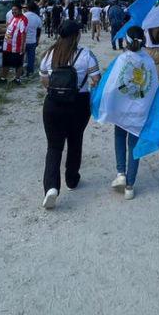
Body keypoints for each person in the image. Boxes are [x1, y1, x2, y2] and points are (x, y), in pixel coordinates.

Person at [91, 26, 159, 200]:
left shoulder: (122, 59)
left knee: (119, 137)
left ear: (127, 41)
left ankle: (120, 173)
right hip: (139, 112)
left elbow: (109, 85)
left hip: (121, 111)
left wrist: (101, 101)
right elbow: (153, 87)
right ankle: (130, 185)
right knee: (134, 145)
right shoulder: (149, 61)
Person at [38, 20, 101, 210]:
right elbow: (96, 79)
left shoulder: (49, 54)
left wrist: (58, 89)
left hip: (53, 105)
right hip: (78, 104)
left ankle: (51, 188)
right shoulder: (86, 54)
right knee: (75, 140)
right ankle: (72, 178)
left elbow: (44, 80)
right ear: (77, 35)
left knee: (54, 147)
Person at [1, 4, 28, 84]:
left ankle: (17, 79)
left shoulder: (23, 19)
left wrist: (22, 46)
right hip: (7, 46)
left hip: (16, 46)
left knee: (18, 63)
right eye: (12, 10)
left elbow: (23, 34)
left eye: (15, 10)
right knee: (6, 62)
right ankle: (3, 78)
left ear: (20, 10)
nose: (13, 12)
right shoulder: (13, 17)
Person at [23, 2, 43, 78]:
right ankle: (29, 72)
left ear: (27, 8)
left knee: (21, 56)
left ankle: (20, 71)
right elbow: (38, 32)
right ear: (35, 9)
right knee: (31, 57)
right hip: (32, 41)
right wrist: (37, 41)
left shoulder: (23, 16)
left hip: (23, 41)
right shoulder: (37, 18)